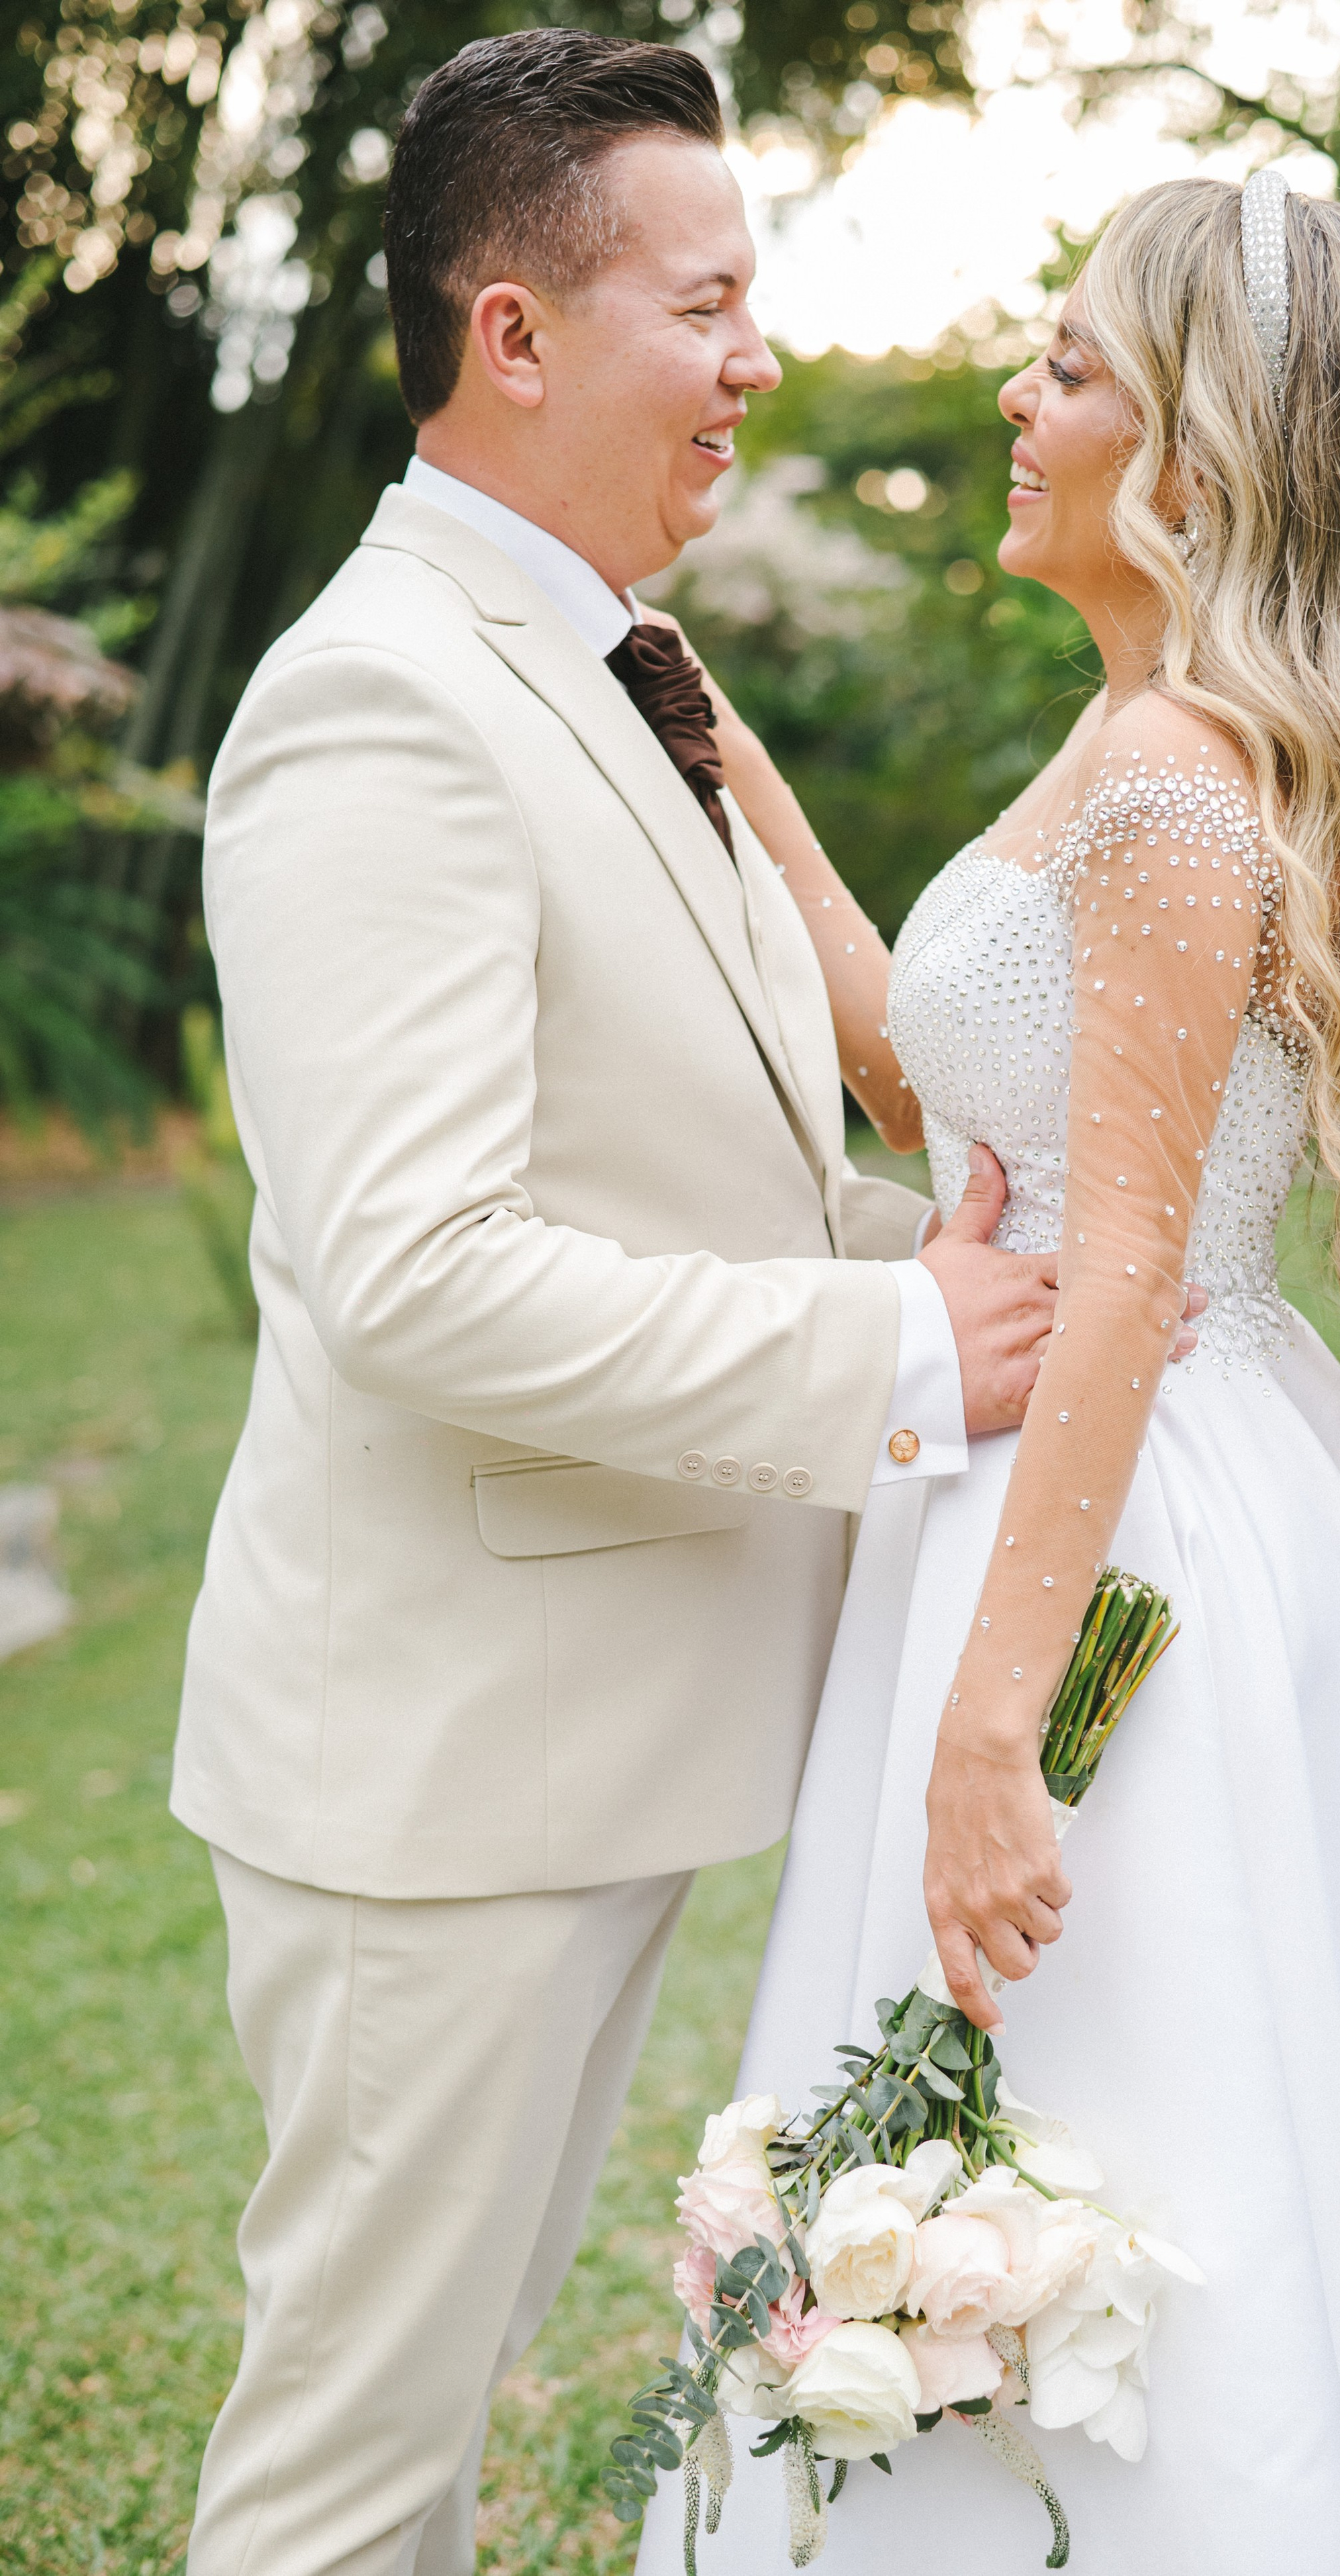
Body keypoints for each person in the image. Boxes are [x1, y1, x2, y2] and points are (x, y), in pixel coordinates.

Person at [165, 30, 1180, 2574]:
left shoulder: (623, 673)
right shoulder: (379, 702)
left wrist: (912, 1257)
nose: (757, 360)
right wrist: (896, 1353)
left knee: (458, 2364)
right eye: (709, 304)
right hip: (436, 1769)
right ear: (514, 333)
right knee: (354, 2466)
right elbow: (419, 1272)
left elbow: (679, 1164)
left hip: (595, 1739)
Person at [639, 175, 1340, 2573]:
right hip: (1065, 1455)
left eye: (1068, 365)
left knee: (1133, 2111)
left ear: (1201, 454)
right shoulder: (1125, 740)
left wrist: (990, 1726)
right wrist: (719, 747)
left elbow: (1142, 1244)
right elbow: (929, 1085)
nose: (1016, 392)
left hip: (1113, 1515)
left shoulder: (1181, 787)